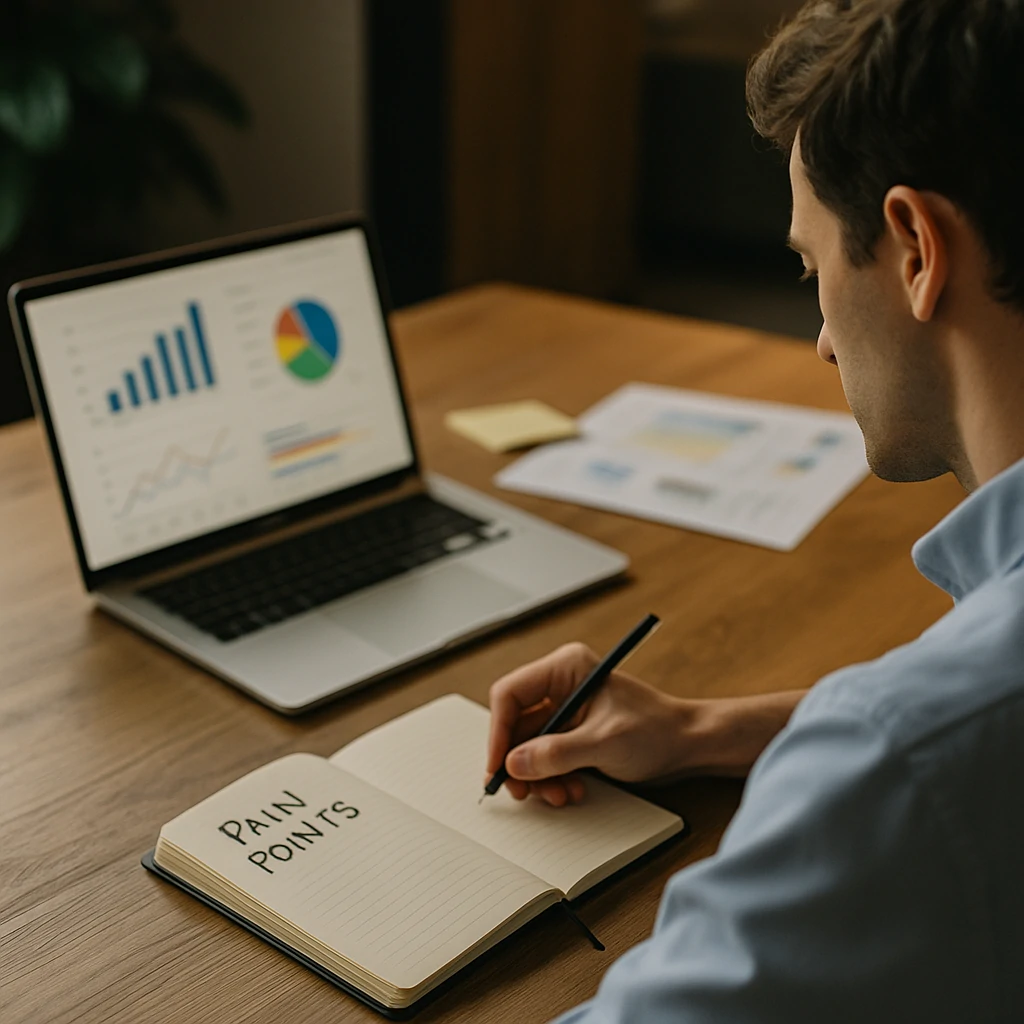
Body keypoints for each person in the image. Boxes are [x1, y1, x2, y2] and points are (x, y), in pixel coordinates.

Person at [485, 1, 1024, 1020]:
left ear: (914, 247)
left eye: (810, 267)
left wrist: (857, 744)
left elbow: (935, 747)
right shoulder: (932, 738)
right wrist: (701, 729)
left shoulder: (897, 763)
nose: (821, 339)